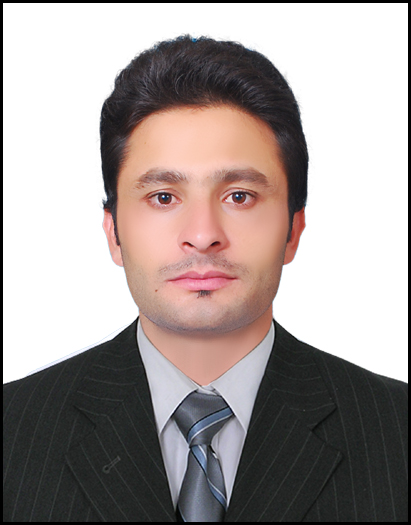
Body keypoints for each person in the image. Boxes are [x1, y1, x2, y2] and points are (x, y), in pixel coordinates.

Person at [3, 35, 407, 523]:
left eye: (239, 196)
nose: (202, 235)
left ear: (293, 230)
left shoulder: (396, 431)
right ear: (114, 233)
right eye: (163, 197)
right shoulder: (14, 431)